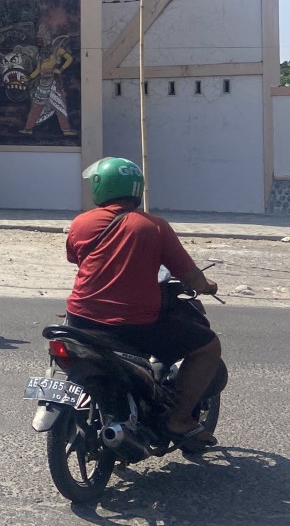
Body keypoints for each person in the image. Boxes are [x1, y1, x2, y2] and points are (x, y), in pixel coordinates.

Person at [64, 157, 222, 451]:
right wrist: (207, 286)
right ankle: (180, 419)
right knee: (208, 347)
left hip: (79, 320)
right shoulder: (154, 226)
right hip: (133, 326)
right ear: (136, 190)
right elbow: (190, 275)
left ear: (101, 187)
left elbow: (76, 258)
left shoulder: (80, 223)